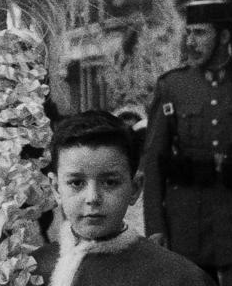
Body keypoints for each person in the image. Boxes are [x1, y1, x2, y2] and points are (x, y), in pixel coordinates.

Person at [142, 1, 232, 286]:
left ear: (223, 37)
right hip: (186, 221)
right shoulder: (173, 86)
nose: (191, 42)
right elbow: (153, 160)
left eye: (201, 33)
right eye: (189, 33)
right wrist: (155, 227)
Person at [42, 111, 212, 286]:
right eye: (76, 183)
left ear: (135, 188)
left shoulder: (180, 278)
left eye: (110, 182)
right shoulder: (31, 270)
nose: (92, 198)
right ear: (56, 188)